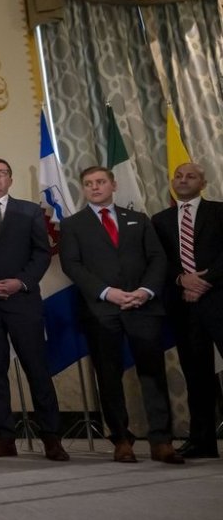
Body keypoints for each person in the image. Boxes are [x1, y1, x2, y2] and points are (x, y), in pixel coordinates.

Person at [60, 165, 183, 464]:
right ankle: (121, 440)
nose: (95, 187)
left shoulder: (138, 220)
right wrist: (107, 292)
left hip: (143, 306)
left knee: (152, 374)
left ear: (113, 185)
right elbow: (72, 265)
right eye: (88, 184)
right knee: (109, 376)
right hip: (102, 310)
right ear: (83, 189)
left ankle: (161, 442)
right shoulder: (73, 225)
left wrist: (145, 291)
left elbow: (158, 258)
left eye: (101, 182)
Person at [0, 158, 68, 461]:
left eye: (2, 173)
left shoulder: (29, 211)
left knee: (37, 370)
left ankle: (52, 438)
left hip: (22, 301)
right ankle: (4, 438)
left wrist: (20, 283)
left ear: (10, 180)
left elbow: (41, 254)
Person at [152, 162, 223, 459]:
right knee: (197, 375)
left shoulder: (220, 212)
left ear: (203, 183)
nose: (183, 180)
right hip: (184, 306)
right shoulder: (160, 219)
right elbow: (158, 260)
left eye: (190, 176)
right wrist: (183, 279)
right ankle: (202, 441)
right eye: (178, 176)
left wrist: (205, 281)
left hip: (218, 300)